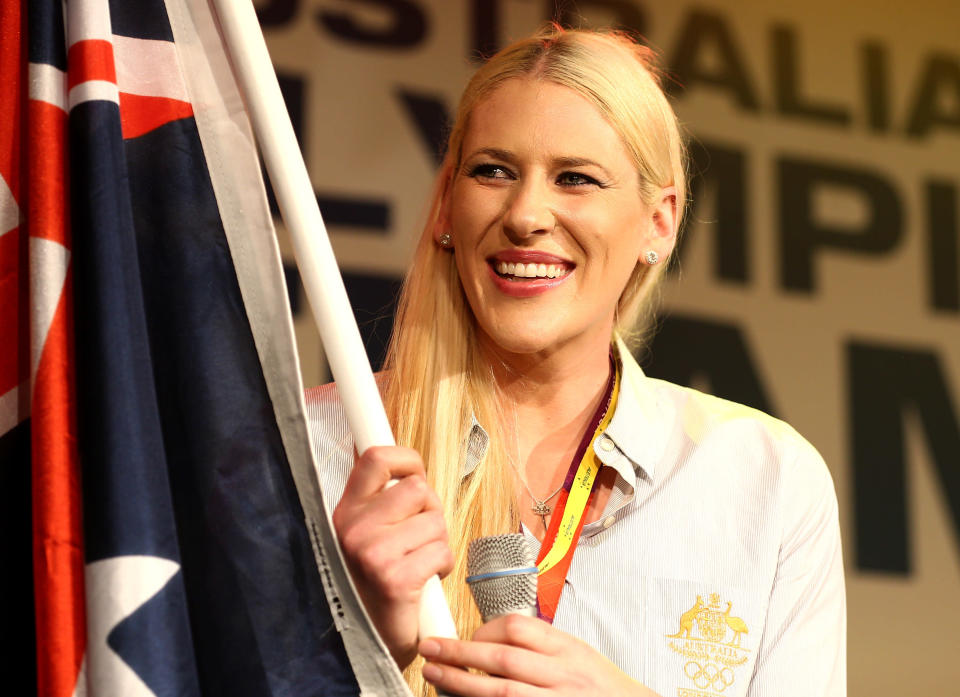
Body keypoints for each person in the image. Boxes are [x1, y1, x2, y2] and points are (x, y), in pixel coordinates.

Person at [306, 24, 845, 697]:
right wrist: (350, 644)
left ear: (659, 222)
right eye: (493, 170)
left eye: (577, 178)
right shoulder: (313, 451)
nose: (527, 213)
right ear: (446, 202)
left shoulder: (768, 480)